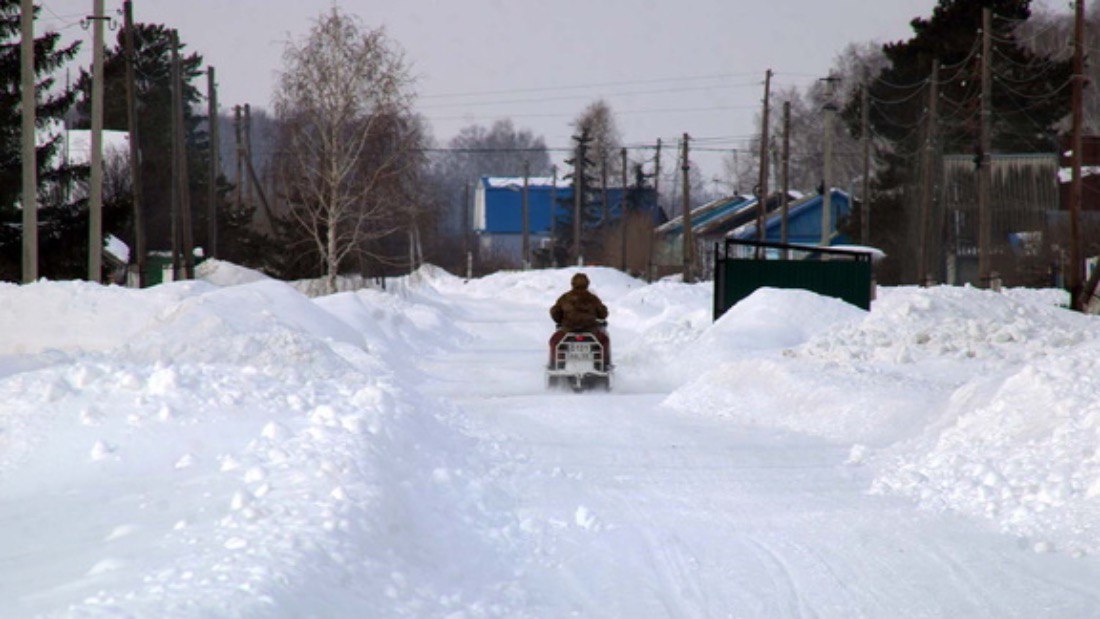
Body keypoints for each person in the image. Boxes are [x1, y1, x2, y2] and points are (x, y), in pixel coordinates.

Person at [549, 272, 610, 367]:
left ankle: (556, 364)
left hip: (568, 332)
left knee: (554, 341)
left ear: (572, 283)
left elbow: (555, 312)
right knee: (604, 341)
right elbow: (603, 313)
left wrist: (559, 320)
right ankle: (602, 364)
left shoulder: (565, 298)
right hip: (590, 332)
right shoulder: (593, 298)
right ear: (587, 283)